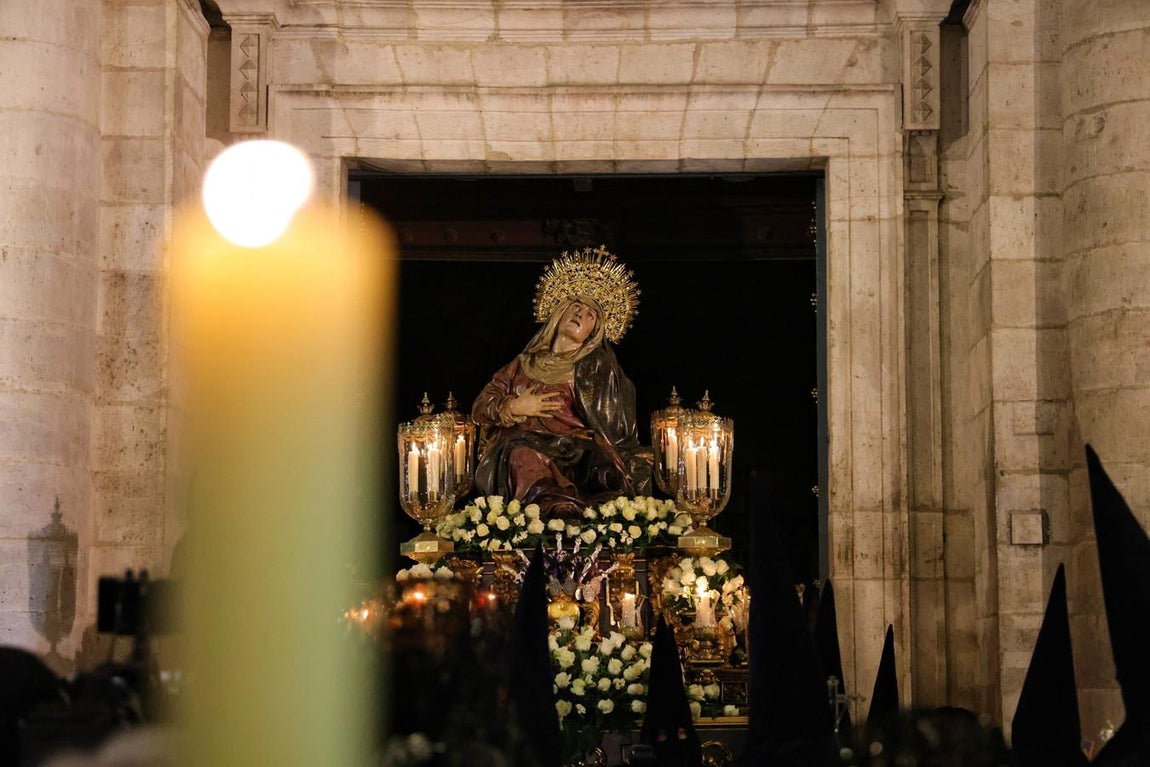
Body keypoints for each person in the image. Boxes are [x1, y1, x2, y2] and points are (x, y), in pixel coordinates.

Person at [471, 245, 652, 520]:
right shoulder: (523, 364)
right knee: (522, 454)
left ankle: (566, 506)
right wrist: (516, 407)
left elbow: (615, 427)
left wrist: (630, 456)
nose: (580, 314)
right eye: (575, 307)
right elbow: (480, 408)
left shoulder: (597, 370)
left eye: (590, 314)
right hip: (525, 448)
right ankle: (551, 506)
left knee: (598, 469)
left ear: (594, 333)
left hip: (576, 452)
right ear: (559, 315)